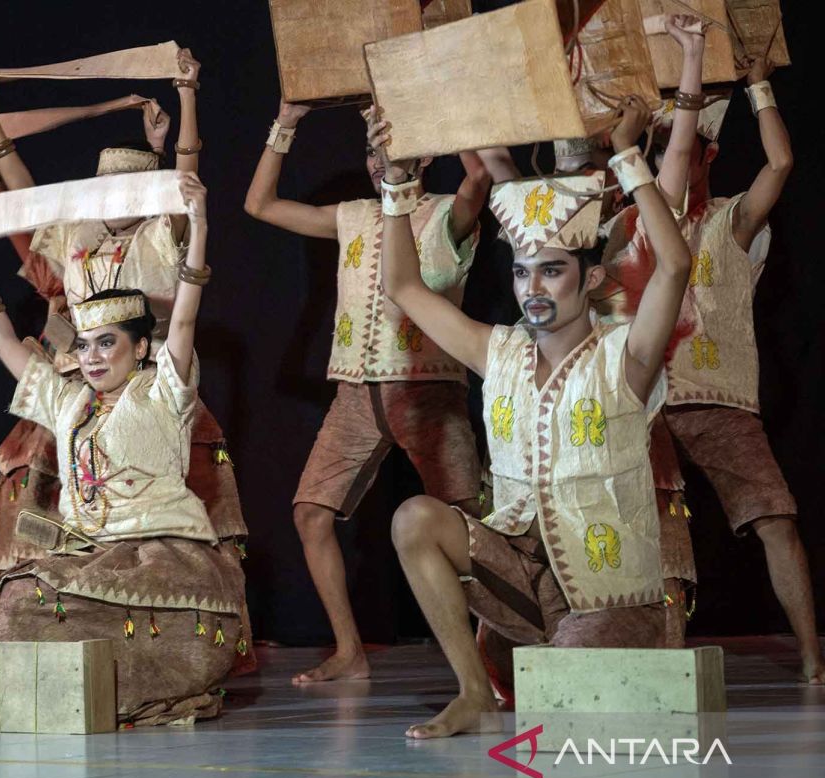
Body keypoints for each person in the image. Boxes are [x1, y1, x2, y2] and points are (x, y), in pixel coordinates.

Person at [374, 95, 691, 738]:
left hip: (606, 593)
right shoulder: (502, 352)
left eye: (552, 272)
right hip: (520, 571)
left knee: (565, 706)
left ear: (590, 277)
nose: (534, 290)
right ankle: (473, 692)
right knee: (415, 518)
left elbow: (676, 263)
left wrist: (629, 157)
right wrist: (397, 184)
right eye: (523, 275)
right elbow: (404, 287)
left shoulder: (622, 358)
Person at [0, 173, 246, 726]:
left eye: (107, 343)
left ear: (141, 347)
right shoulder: (68, 403)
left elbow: (185, 310)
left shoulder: (164, 391)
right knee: (16, 599)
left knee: (39, 606)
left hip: (170, 562)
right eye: (84, 345)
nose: (91, 357)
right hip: (98, 559)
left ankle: (151, 683)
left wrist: (199, 225)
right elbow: (2, 339)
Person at [244, 99, 487, 684]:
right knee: (310, 512)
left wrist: (440, 107)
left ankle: (490, 656)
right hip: (357, 391)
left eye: (391, 150)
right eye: (372, 151)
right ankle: (350, 650)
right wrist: (286, 122)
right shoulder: (352, 215)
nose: (379, 162)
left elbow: (478, 177)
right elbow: (259, 205)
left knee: (471, 527)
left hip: (428, 389)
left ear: (423, 155)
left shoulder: (444, 213)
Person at [605, 42, 819, 680]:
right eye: (667, 144)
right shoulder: (630, 225)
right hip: (649, 400)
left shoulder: (732, 221)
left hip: (722, 398)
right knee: (662, 527)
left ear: (710, 155)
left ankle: (811, 652)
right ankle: (665, 659)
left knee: (775, 515)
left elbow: (781, 161)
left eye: (688, 144)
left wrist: (759, 87)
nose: (677, 154)